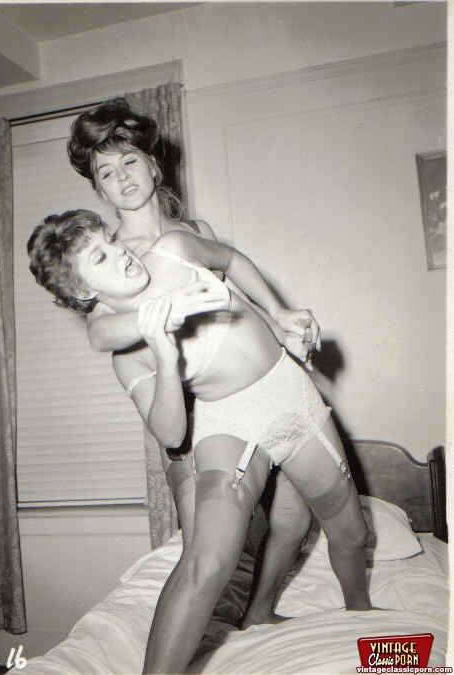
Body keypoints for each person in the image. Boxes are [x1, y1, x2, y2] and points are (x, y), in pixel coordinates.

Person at [27, 209, 372, 674]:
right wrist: (165, 356)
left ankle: (364, 625)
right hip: (229, 421)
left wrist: (278, 311)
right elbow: (172, 434)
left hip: (292, 398)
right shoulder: (125, 355)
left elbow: (230, 259)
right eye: (101, 257)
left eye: (110, 239)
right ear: (85, 291)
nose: (121, 252)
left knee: (351, 533)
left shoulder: (173, 249)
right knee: (208, 561)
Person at [67, 100, 319, 620]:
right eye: (106, 173)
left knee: (295, 512)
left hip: (253, 394)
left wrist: (281, 324)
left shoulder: (194, 232)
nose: (123, 177)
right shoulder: (118, 257)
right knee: (204, 554)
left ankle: (259, 612)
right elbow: (99, 331)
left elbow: (234, 302)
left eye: (130, 161)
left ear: (153, 164)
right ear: (100, 190)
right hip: (192, 416)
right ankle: (197, 639)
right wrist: (158, 317)